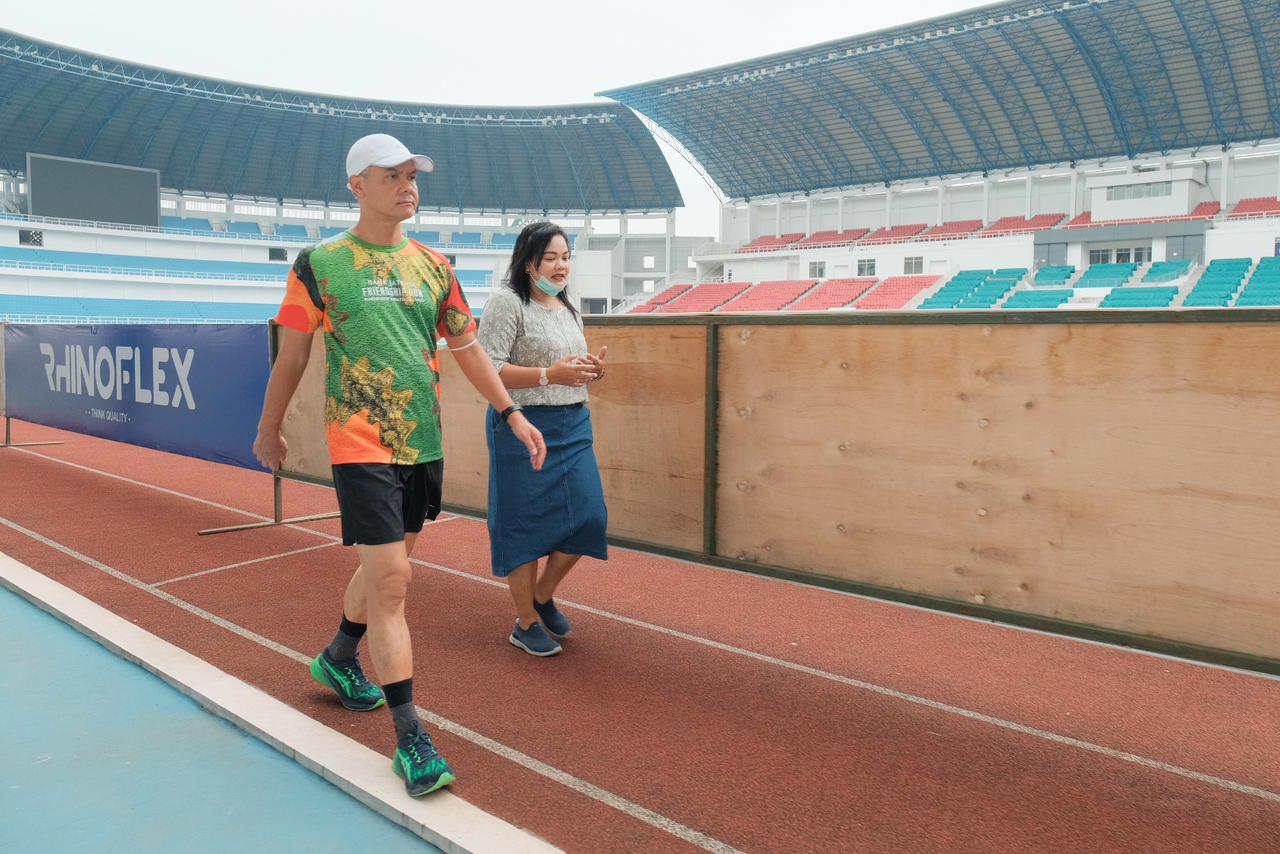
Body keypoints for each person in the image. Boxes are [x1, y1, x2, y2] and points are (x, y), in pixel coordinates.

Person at [252, 133, 546, 797]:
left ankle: (336, 658)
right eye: (393, 176)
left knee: (389, 571)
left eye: (414, 176)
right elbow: (292, 355)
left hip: (424, 447)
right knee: (392, 585)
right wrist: (269, 428)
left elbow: (469, 350)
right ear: (357, 185)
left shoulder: (437, 265)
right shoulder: (319, 263)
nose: (409, 186)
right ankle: (411, 735)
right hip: (361, 445)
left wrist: (511, 412)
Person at [477, 221, 609, 657]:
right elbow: (488, 368)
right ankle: (526, 622)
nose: (560, 265)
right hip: (521, 424)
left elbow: (568, 369)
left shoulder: (568, 308)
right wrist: (549, 374)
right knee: (523, 526)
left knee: (589, 516)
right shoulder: (506, 302)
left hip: (572, 425)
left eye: (566, 256)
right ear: (528, 261)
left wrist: (591, 370)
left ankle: (541, 594)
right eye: (550, 257)